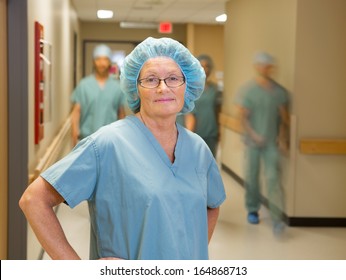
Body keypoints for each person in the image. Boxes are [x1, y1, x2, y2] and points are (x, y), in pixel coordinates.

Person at [19, 37, 226, 260]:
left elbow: (212, 205)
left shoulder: (198, 149)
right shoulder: (107, 144)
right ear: (135, 89)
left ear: (188, 85)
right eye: (151, 79)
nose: (163, 88)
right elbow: (33, 200)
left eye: (174, 78)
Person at [236, 52, 289, 234]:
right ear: (257, 67)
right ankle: (252, 209)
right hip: (253, 143)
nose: (265, 68)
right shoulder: (248, 91)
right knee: (252, 177)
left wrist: (282, 138)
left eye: (268, 66)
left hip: (272, 143)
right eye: (262, 65)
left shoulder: (280, 92)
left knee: (274, 179)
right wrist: (253, 135)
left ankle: (277, 218)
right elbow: (243, 117)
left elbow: (284, 118)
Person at [71, 44, 126, 146]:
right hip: (86, 139)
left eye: (105, 59)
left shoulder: (117, 87)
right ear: (93, 61)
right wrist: (74, 137)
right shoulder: (84, 85)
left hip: (110, 140)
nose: (102, 63)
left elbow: (121, 114)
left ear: (109, 62)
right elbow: (76, 113)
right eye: (98, 59)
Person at [193, 55, 222, 157]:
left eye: (207, 66)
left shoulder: (215, 89)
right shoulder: (191, 88)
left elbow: (217, 110)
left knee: (210, 163)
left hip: (211, 132)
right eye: (202, 66)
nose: (205, 69)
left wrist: (219, 130)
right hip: (195, 133)